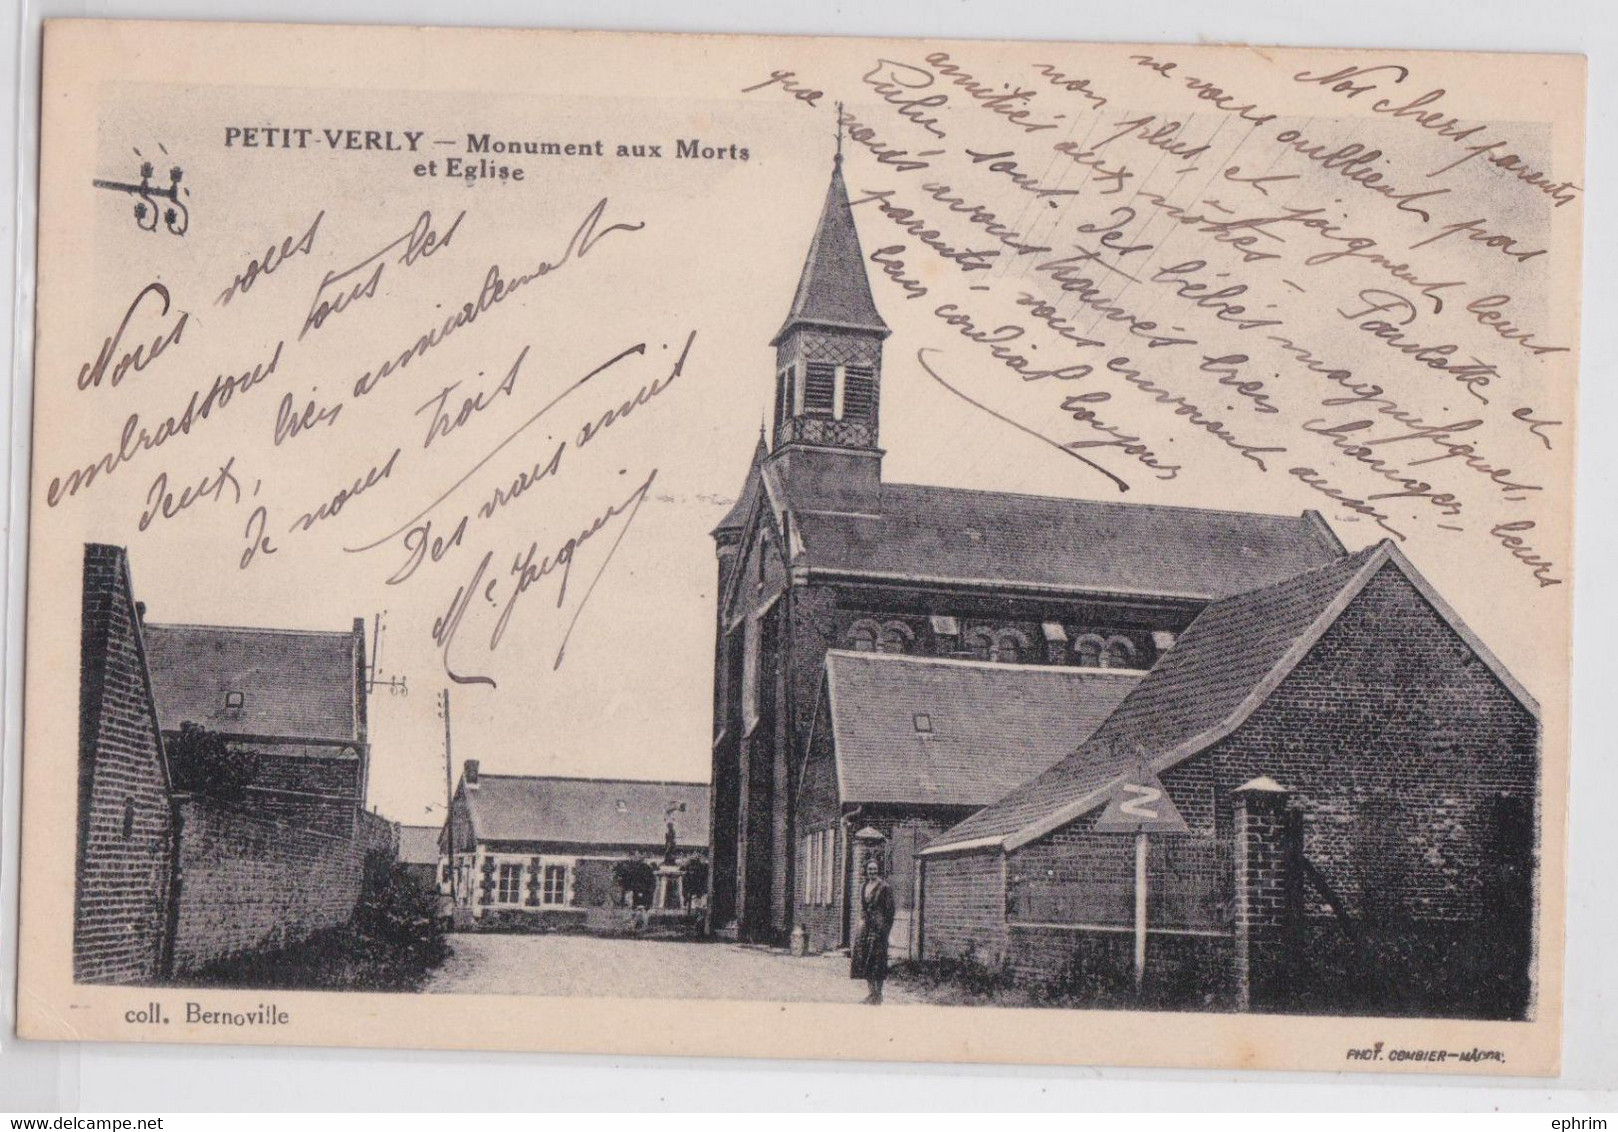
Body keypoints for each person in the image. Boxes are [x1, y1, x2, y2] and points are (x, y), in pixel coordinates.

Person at [850, 856, 895, 1005]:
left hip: (879, 928)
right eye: (870, 869)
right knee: (865, 959)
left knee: (878, 961)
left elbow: (890, 911)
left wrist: (886, 930)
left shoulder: (884, 887)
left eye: (874, 869)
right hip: (866, 927)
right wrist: (861, 922)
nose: (872, 872)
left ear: (878, 870)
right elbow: (863, 908)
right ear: (866, 871)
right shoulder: (863, 886)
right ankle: (871, 993)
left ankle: (879, 995)